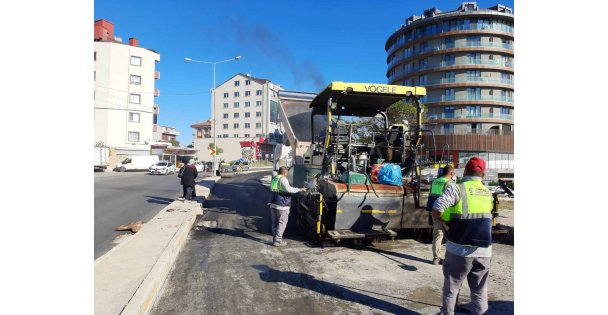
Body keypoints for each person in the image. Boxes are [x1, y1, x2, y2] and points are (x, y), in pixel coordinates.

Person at [432, 157, 493, 315]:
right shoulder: (488, 193)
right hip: (484, 251)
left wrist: (445, 224)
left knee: (451, 288)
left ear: (465, 171)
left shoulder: (457, 188)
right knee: (480, 291)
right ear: (483, 175)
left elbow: (437, 208)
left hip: (459, 249)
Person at [269, 166, 306, 247]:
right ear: (285, 173)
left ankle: (275, 239)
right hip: (281, 204)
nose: (287, 175)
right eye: (286, 174)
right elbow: (289, 189)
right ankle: (278, 241)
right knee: (282, 222)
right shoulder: (283, 179)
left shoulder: (274, 178)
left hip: (273, 203)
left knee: (275, 222)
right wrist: (300, 189)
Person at [426, 164, 455, 265]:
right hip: (446, 214)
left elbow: (431, 197)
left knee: (437, 235)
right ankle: (451, 259)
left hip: (435, 212)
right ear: (451, 173)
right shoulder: (450, 183)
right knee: (451, 237)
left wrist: (431, 212)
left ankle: (436, 258)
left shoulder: (435, 182)